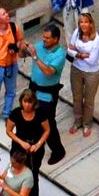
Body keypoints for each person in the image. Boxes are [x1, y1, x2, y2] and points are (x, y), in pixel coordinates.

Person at [26, 22, 68, 165]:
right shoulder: (39, 46)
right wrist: (20, 48)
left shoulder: (60, 55)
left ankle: (58, 151)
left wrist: (35, 57)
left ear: (56, 39)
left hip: (46, 96)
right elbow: (24, 53)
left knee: (48, 124)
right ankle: (36, 145)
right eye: (43, 37)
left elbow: (49, 72)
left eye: (47, 38)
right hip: (33, 92)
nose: (44, 40)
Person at [5, 92, 52, 196]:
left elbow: (47, 130)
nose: (27, 105)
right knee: (15, 171)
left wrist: (38, 144)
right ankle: (9, 195)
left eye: (29, 102)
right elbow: (9, 131)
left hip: (35, 149)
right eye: (25, 102)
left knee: (33, 174)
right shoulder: (16, 113)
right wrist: (21, 142)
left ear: (33, 103)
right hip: (19, 149)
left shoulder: (40, 114)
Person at [66, 11, 99, 138]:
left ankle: (87, 124)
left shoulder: (96, 39)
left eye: (86, 22)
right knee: (77, 97)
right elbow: (69, 50)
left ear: (91, 24)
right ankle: (77, 121)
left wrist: (76, 52)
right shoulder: (76, 33)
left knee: (88, 100)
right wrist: (81, 54)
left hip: (91, 73)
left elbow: (92, 60)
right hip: (76, 69)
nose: (83, 24)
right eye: (81, 22)